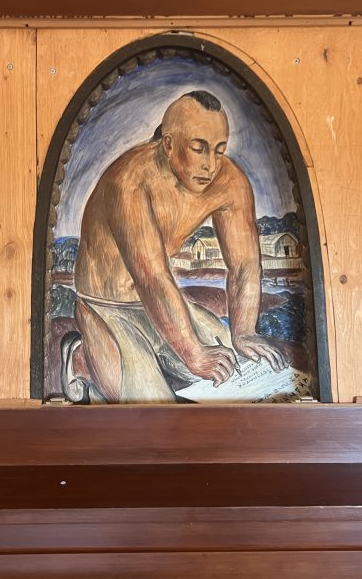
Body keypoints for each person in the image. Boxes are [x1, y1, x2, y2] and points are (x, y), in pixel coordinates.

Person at [64, 90, 286, 404]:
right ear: (168, 144)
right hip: (107, 308)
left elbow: (245, 266)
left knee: (246, 365)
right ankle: (80, 358)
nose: (211, 165)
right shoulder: (128, 182)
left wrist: (244, 331)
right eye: (199, 148)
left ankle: (163, 360)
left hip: (161, 307)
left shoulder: (230, 181)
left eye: (219, 150)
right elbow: (151, 277)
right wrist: (194, 354)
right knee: (150, 405)